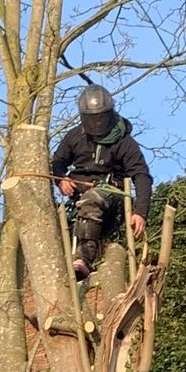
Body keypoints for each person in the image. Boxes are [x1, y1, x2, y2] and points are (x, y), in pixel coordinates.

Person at [51, 84, 153, 278]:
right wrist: (60, 179)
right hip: (78, 199)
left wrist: (140, 212)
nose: (97, 123)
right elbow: (58, 162)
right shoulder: (74, 137)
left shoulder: (124, 142)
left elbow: (141, 175)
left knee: (93, 199)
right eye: (93, 118)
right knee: (55, 223)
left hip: (110, 198)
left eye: (101, 118)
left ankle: (84, 258)